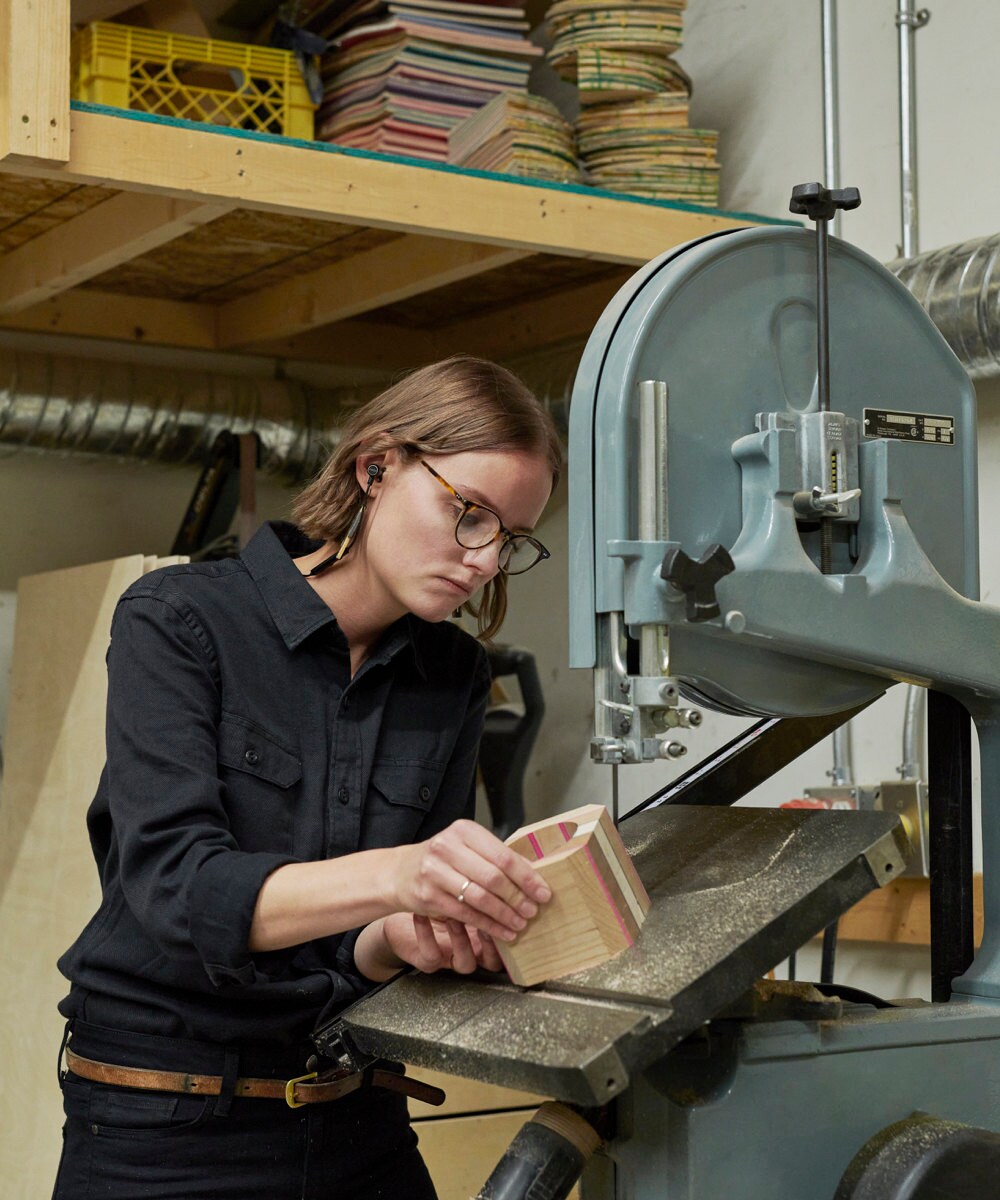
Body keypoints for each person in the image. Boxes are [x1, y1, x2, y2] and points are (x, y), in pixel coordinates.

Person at [52, 355, 562, 1200]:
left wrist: (405, 936)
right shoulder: (179, 621)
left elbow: (357, 943)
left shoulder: (454, 675)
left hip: (355, 1114)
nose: (484, 561)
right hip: (162, 1127)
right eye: (469, 514)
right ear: (376, 467)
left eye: (510, 538)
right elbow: (178, 887)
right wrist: (401, 873)